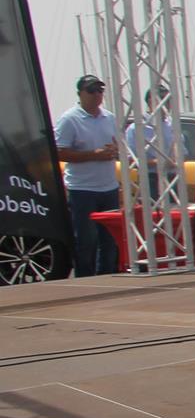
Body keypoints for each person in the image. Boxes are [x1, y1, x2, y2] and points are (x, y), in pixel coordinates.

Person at [53, 74, 122, 276]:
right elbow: (59, 152)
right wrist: (94, 155)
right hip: (82, 189)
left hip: (108, 187)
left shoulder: (109, 117)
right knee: (86, 240)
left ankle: (107, 278)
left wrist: (115, 151)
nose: (97, 94)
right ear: (80, 94)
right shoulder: (69, 119)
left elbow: (118, 146)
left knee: (110, 240)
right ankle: (85, 279)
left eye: (100, 90)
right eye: (91, 90)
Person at [123, 85, 180, 201]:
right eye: (164, 99)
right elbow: (131, 160)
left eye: (169, 100)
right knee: (152, 210)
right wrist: (157, 162)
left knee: (175, 209)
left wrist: (176, 159)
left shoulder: (173, 125)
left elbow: (182, 151)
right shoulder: (136, 128)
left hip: (173, 177)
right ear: (150, 101)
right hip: (150, 178)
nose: (168, 104)